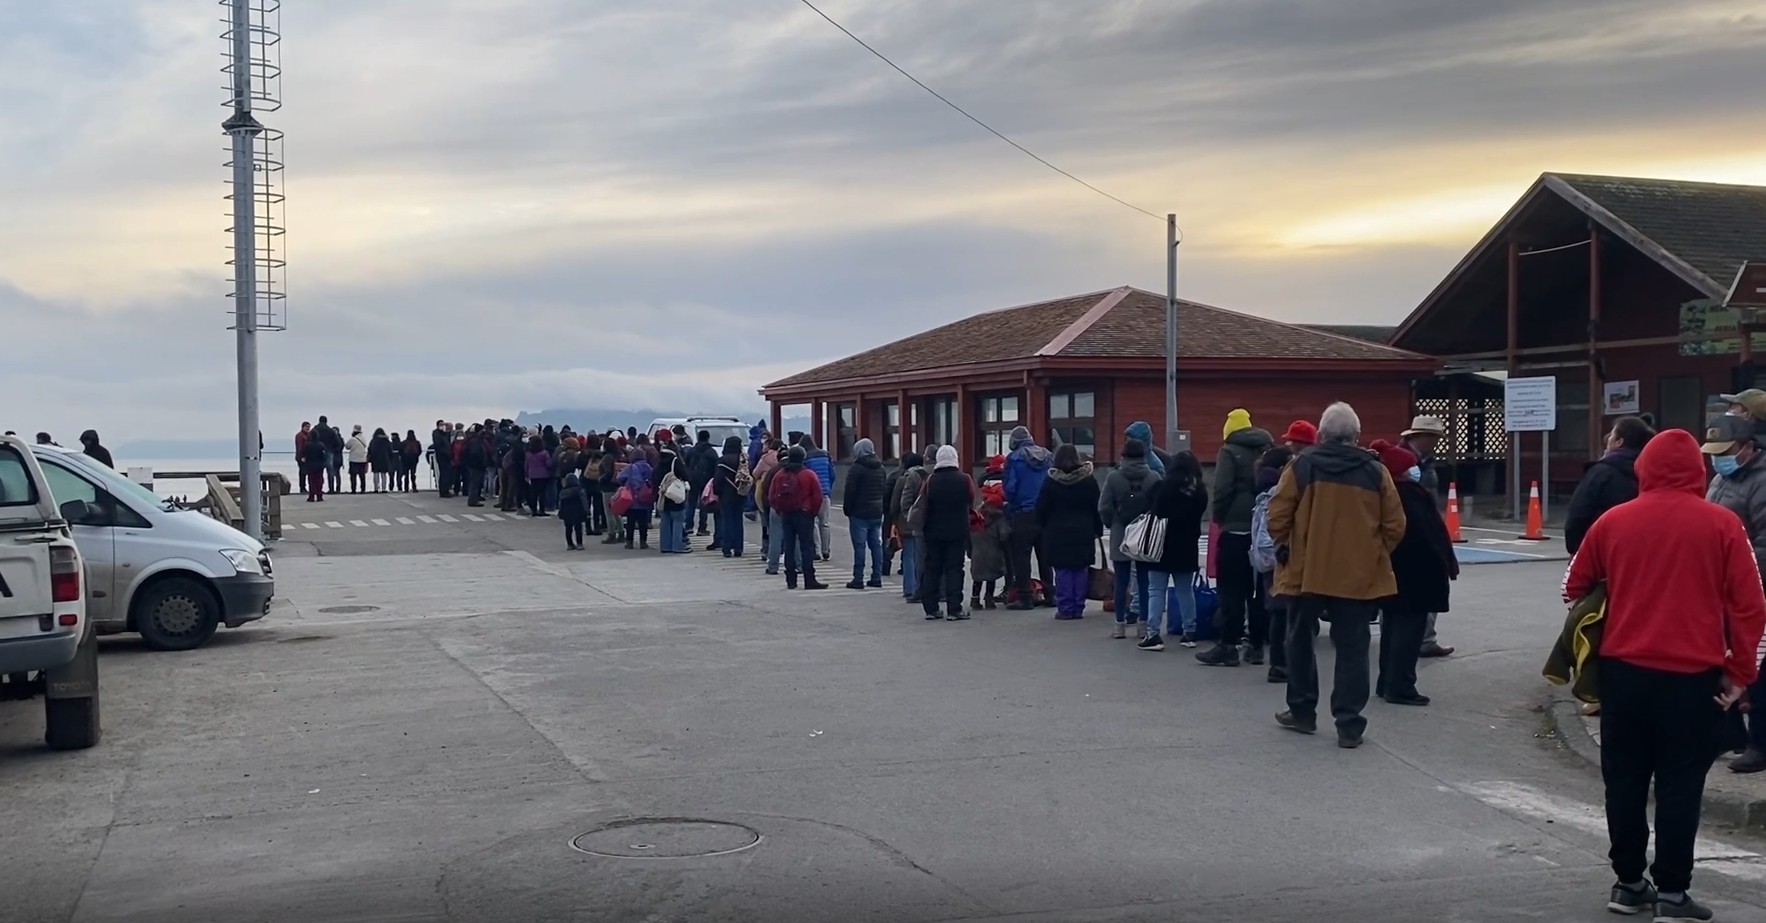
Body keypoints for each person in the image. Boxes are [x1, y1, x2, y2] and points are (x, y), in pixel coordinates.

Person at [1566, 427, 1765, 919]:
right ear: (1697, 470)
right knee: (1681, 783)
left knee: (1624, 779)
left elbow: (1574, 586)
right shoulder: (1722, 524)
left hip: (1623, 674)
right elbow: (1750, 605)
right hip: (1693, 678)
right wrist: (1740, 672)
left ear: (1644, 468)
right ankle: (1674, 892)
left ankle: (1629, 883)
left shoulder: (1613, 521)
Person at [1266, 402, 1405, 749]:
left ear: (1322, 435)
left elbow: (1277, 516)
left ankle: (1302, 711)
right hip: (1357, 574)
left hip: (1306, 571)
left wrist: (1288, 547)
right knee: (1353, 648)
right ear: (1356, 436)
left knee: (1300, 640)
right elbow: (1395, 525)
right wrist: (1371, 554)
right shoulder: (1376, 472)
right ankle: (1349, 724)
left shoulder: (1302, 466)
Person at [1369, 440, 1457, 707]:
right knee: (1408, 633)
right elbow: (1426, 536)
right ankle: (1401, 686)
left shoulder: (1388, 493)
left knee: (1392, 629)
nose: (1415, 470)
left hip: (1395, 572)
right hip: (1415, 574)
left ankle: (1387, 682)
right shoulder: (1408, 495)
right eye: (1411, 466)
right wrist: (1442, 564)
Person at [1701, 413, 1766, 775]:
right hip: (1721, 589)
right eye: (1714, 452)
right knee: (1720, 663)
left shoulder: (1761, 482)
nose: (1718, 459)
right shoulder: (1722, 479)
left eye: (1725, 452)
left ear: (1748, 448)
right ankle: (1728, 735)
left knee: (1758, 669)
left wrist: (1736, 572)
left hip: (1753, 588)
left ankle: (1760, 743)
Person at [1204, 408, 1273, 666]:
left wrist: (1220, 517)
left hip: (1235, 528)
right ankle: (1256, 645)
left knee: (1231, 589)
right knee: (1257, 590)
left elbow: (1222, 489)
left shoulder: (1229, 451)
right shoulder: (1267, 449)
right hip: (1262, 528)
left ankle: (1229, 645)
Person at [1138, 451, 1208, 650]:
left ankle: (1153, 634)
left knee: (1156, 590)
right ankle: (1189, 632)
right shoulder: (1199, 491)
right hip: (1187, 545)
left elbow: (1156, 511)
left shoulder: (1164, 487)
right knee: (1185, 590)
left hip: (1161, 544)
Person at [1400, 414, 1453, 659]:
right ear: (1423, 436)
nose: (1437, 442)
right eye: (1434, 437)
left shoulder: (1426, 461)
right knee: (1417, 586)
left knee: (1430, 581)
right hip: (1411, 529)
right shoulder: (1403, 460)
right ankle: (1419, 640)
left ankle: (1426, 638)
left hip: (1427, 523)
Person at [1564, 416, 1654, 555]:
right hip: (1640, 552)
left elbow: (1579, 514)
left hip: (1601, 550)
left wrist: (1576, 548)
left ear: (1619, 442)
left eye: (1612, 434)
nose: (1607, 439)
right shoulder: (1650, 472)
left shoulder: (1601, 473)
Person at [1101, 438, 1161, 638]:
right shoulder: (1153, 477)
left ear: (1123, 455)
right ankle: (1143, 624)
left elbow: (1104, 506)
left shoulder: (1113, 478)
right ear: (1144, 456)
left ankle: (1119, 625)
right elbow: (1159, 506)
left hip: (1121, 533)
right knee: (1144, 581)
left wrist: (1112, 523)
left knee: (1121, 581)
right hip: (1145, 535)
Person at [1033, 443, 1101, 621]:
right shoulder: (1088, 481)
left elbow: (1040, 508)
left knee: (1063, 570)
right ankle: (1078, 607)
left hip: (1057, 532)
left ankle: (1065, 607)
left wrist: (1042, 525)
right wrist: (1098, 528)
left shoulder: (1051, 481)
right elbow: (1097, 507)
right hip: (1083, 530)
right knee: (1080, 570)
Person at [919, 446, 977, 621]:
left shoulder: (930, 480)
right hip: (957, 531)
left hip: (933, 531)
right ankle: (954, 609)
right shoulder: (965, 479)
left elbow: (923, 502)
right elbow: (971, 500)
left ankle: (931, 609)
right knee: (954, 569)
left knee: (932, 569)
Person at [1253, 447, 1296, 677]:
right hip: (1282, 554)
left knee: (1276, 609)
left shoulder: (1262, 487)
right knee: (1286, 612)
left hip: (1267, 555)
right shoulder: (1279, 490)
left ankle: (1277, 663)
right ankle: (1282, 663)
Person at [1004, 426, 1055, 610]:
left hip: (1023, 512)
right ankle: (1050, 594)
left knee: (1021, 556)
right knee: (1045, 555)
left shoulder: (1014, 458)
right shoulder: (1048, 456)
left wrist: (1011, 507)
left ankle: (1025, 597)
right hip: (1045, 512)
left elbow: (1010, 488)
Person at [770, 445, 828, 590]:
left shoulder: (780, 475)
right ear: (803, 457)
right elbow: (818, 496)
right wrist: (812, 512)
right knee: (806, 547)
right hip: (804, 513)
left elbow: (771, 495)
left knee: (789, 546)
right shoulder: (808, 475)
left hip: (786, 514)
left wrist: (780, 509)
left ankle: (791, 580)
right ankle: (809, 579)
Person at [843, 438, 887, 589]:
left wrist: (848, 509)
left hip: (859, 512)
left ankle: (858, 578)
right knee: (876, 545)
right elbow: (883, 489)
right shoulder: (881, 468)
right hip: (876, 512)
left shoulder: (856, 469)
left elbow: (850, 491)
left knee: (860, 546)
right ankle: (877, 577)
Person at [970, 456, 1010, 610]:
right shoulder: (998, 519)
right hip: (994, 554)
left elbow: (970, 534)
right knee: (991, 577)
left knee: (978, 577)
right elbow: (1004, 535)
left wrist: (969, 550)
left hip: (978, 554)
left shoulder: (977, 517)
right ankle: (988, 598)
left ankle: (974, 598)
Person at [891, 450, 927, 603]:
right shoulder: (928, 477)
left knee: (909, 555)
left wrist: (895, 519)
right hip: (924, 522)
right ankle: (922, 587)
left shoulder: (903, 479)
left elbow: (896, 503)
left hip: (906, 522)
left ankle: (909, 588)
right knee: (922, 556)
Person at [800, 435, 836, 561]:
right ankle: (826, 550)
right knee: (824, 523)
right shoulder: (826, 455)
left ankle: (816, 550)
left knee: (812, 523)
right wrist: (828, 488)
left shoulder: (805, 458)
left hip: (811, 495)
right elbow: (832, 474)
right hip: (825, 493)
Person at [713, 436, 748, 557]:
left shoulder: (722, 460)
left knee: (727, 520)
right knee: (738, 520)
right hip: (740, 493)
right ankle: (738, 548)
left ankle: (727, 548)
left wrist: (716, 491)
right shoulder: (743, 459)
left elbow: (718, 479)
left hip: (726, 494)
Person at [657, 450, 691, 554]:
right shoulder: (675, 462)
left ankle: (665, 546)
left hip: (663, 497)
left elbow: (654, 478)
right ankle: (677, 546)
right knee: (678, 521)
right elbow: (685, 476)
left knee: (665, 522)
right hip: (675, 496)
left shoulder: (658, 463)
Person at [618, 451, 654, 549]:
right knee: (643, 522)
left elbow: (619, 478)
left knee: (631, 521)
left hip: (632, 498)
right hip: (645, 498)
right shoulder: (649, 468)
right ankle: (643, 542)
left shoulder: (630, 468)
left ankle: (629, 542)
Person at [688, 430, 720, 539]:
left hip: (692, 479)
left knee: (691, 503)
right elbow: (716, 467)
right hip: (706, 480)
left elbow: (686, 463)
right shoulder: (711, 452)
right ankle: (702, 528)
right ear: (708, 438)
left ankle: (688, 526)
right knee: (704, 503)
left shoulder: (692, 450)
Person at [525, 434, 554, 517]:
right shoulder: (544, 453)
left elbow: (526, 465)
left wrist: (526, 474)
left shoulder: (528, 454)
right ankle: (542, 510)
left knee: (534, 493)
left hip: (532, 475)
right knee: (542, 494)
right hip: (543, 475)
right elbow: (548, 464)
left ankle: (534, 510)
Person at [558, 472, 588, 550]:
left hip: (566, 513)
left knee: (568, 528)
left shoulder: (563, 492)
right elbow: (584, 501)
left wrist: (560, 512)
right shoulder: (579, 490)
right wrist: (586, 510)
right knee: (578, 528)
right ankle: (579, 544)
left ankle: (569, 544)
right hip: (578, 511)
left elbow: (560, 504)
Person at [301, 427, 328, 502]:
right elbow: (324, 455)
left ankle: (311, 496)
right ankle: (319, 496)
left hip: (310, 465)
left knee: (311, 481)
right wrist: (324, 463)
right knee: (319, 480)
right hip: (319, 465)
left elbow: (304, 454)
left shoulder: (307, 445)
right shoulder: (321, 445)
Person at [319, 417, 344, 494]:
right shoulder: (330, 431)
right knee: (330, 472)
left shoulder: (315, 430)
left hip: (319, 453)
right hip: (329, 452)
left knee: (319, 473)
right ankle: (331, 489)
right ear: (326, 421)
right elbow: (338, 443)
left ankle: (318, 489)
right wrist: (332, 449)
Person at [367, 428, 394, 493]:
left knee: (376, 474)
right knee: (383, 474)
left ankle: (376, 488)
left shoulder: (373, 441)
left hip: (375, 459)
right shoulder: (386, 441)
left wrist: (370, 458)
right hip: (384, 459)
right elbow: (390, 451)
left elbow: (370, 450)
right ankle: (383, 488)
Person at [346, 425, 369, 493]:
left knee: (353, 475)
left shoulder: (352, 439)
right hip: (363, 459)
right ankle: (363, 489)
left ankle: (353, 489)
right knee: (362, 476)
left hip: (354, 459)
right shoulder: (364, 439)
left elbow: (347, 446)